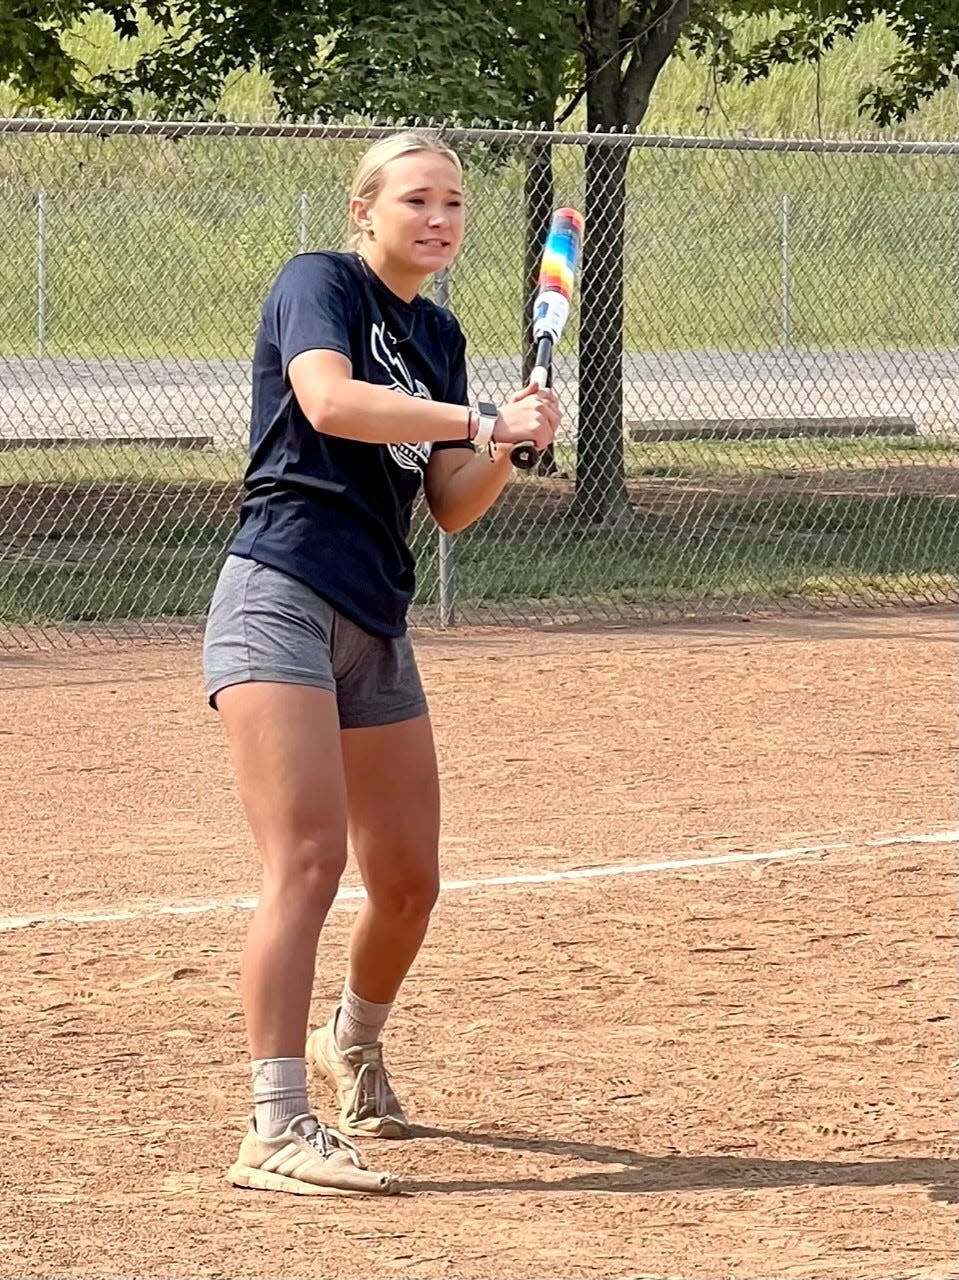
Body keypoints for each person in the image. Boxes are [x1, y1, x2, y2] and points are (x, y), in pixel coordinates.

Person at [202, 130, 560, 1197]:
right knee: (308, 860)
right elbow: (328, 401)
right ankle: (273, 1123)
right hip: (279, 593)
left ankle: (348, 1041)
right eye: (415, 198)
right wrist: (482, 415)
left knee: (407, 881)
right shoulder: (319, 283)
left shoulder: (437, 333)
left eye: (452, 201)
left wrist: (497, 448)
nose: (437, 217)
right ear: (366, 211)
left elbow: (447, 500)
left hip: (376, 613)